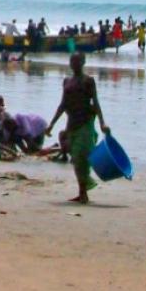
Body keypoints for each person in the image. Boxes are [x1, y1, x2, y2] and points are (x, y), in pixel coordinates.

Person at [46, 52, 110, 204]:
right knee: (75, 157)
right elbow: (63, 104)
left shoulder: (88, 81)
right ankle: (82, 193)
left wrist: (102, 123)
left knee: (81, 155)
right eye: (71, 61)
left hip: (85, 123)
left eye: (77, 61)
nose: (74, 64)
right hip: (71, 123)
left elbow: (95, 102)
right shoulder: (67, 81)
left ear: (83, 62)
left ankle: (83, 193)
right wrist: (51, 124)